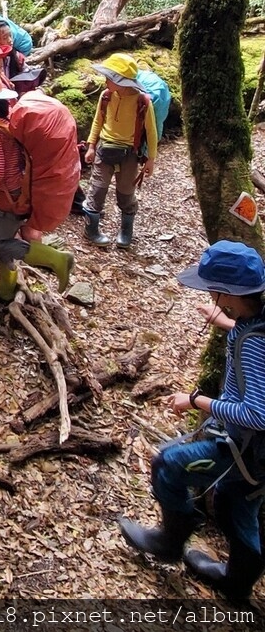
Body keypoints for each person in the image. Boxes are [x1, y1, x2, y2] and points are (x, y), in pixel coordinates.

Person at [118, 240, 265, 600]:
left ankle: (170, 540)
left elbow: (257, 414)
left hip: (248, 453)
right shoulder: (255, 319)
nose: (210, 292)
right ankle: (236, 584)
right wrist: (228, 323)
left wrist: (198, 400)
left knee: (168, 463)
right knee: (237, 507)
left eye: (214, 288)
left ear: (227, 293)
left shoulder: (254, 343)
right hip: (255, 455)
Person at [0, 71, 74, 302]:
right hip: (22, 189)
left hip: (9, 194)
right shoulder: (9, 119)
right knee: (4, 236)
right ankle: (6, 287)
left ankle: (56, 259)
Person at [83, 52, 157, 250]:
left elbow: (151, 131)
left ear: (122, 81)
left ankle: (126, 231)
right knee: (97, 189)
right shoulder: (106, 96)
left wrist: (151, 159)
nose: (106, 81)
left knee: (125, 192)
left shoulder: (143, 102)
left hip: (129, 154)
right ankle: (91, 230)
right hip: (104, 149)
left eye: (110, 77)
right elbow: (98, 121)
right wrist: (91, 146)